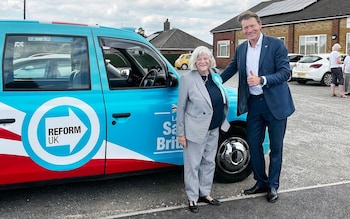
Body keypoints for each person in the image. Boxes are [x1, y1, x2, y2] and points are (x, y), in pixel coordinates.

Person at [220, 11, 295, 203]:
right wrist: (211, 82)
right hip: (254, 105)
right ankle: (260, 181)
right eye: (245, 28)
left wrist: (261, 79)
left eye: (252, 26)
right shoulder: (242, 48)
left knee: (276, 148)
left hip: (276, 105)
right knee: (254, 145)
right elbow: (231, 68)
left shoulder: (276, 45)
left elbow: (285, 72)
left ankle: (273, 186)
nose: (249, 30)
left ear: (259, 25)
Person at [176, 46, 230, 213]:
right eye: (199, 59)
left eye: (205, 58)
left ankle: (204, 193)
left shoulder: (215, 76)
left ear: (210, 60)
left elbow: (221, 98)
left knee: (209, 162)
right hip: (194, 130)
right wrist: (181, 133)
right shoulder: (188, 79)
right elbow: (181, 107)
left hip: (214, 128)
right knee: (193, 165)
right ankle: (192, 197)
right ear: (194, 61)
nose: (203, 61)